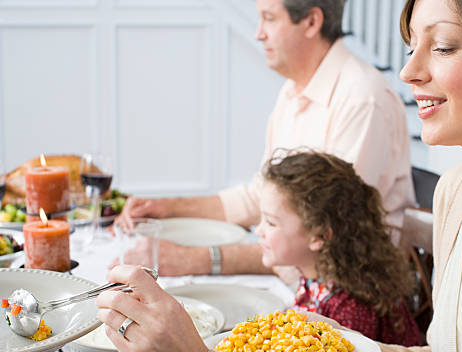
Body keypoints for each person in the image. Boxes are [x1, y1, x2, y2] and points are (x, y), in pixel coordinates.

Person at [96, 0, 462, 352]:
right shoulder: (459, 192)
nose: (409, 73)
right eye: (411, 47)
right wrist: (314, 344)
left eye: (445, 47)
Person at [118, 0, 415, 280]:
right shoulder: (293, 90)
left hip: (349, 297)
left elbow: (326, 236)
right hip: (303, 282)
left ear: (311, 22)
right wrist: (167, 208)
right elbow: (261, 196)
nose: (258, 33)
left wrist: (196, 259)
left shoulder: (362, 99)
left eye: (269, 19)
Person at [257, 149, 421, 346]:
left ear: (319, 236)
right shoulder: (316, 276)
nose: (259, 230)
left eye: (271, 222)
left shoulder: (350, 308)